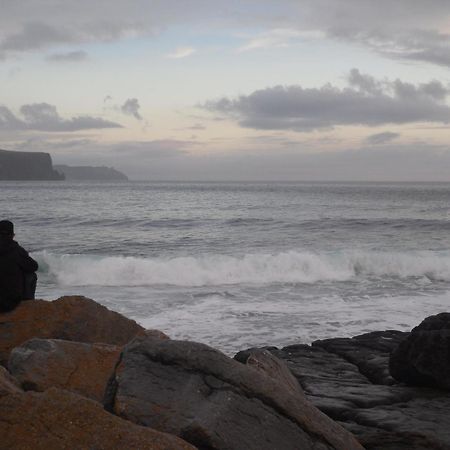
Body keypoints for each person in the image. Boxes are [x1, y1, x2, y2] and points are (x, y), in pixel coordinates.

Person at [0, 220, 38, 312]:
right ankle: (28, 304)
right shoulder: (16, 250)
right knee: (31, 275)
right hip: (10, 302)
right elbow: (34, 266)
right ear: (13, 235)